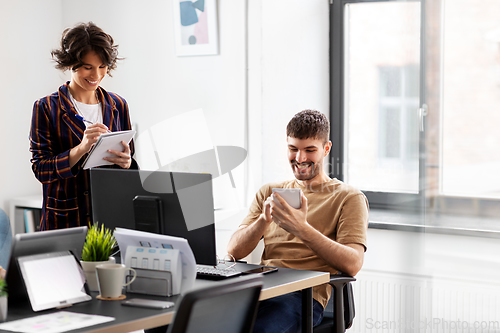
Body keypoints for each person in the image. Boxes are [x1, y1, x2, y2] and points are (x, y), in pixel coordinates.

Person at [227, 110, 369, 333]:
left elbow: (353, 264)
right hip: (262, 288)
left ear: (326, 149)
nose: (300, 159)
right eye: (293, 149)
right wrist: (263, 221)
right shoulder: (269, 192)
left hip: (304, 297)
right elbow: (234, 251)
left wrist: (302, 229)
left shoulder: (348, 198)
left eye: (310, 150)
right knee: (184, 320)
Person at [30, 22, 138, 231]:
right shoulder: (46, 107)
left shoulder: (118, 105)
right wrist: (81, 149)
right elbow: (41, 170)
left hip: (110, 219)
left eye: (102, 67)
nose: (96, 75)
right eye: (88, 67)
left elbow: (129, 164)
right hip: (65, 222)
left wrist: (127, 164)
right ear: (70, 64)